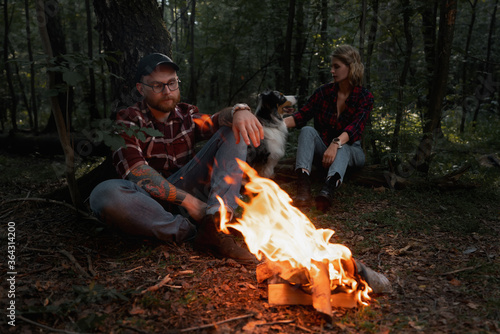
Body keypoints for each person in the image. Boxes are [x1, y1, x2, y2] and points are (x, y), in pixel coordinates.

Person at [89, 53, 264, 264]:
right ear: (140, 88)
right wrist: (192, 204)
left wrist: (239, 110)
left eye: (172, 83)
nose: (167, 91)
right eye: (157, 86)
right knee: (104, 194)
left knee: (232, 130)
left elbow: (219, 120)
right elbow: (136, 172)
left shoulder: (186, 115)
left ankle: (216, 223)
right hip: (148, 204)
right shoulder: (128, 120)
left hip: (189, 185)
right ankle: (191, 231)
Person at [284, 45, 373, 211]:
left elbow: (355, 128)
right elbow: (300, 117)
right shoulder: (323, 93)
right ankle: (303, 187)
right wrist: (270, 126)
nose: (332, 71)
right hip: (324, 150)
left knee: (343, 146)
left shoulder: (364, 96)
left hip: (351, 151)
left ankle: (328, 189)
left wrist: (335, 143)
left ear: (351, 67)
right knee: (307, 130)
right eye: (332, 66)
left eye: (337, 67)